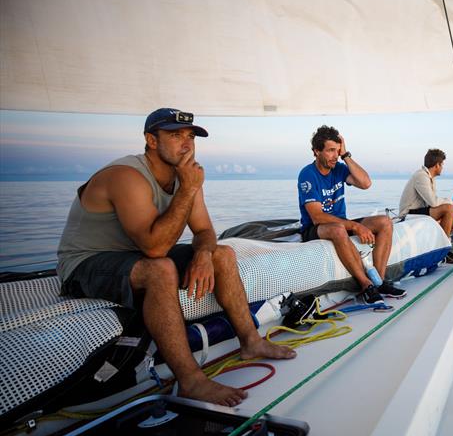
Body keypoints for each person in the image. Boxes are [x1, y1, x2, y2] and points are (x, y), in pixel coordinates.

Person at [57, 108, 295, 407]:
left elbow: (205, 230)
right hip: (85, 264)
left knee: (223, 253)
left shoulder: (186, 176)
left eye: (190, 136)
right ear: (151, 140)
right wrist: (190, 188)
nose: (186, 143)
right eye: (175, 135)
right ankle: (191, 381)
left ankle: (251, 342)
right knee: (161, 269)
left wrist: (204, 254)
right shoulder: (125, 176)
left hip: (134, 255)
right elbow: (155, 250)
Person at [297, 125, 406, 304]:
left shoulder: (339, 168)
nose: (335, 155)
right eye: (331, 151)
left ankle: (378, 280)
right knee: (339, 229)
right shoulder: (307, 174)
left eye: (337, 151)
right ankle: (366, 285)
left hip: (341, 222)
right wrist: (355, 226)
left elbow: (365, 183)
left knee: (385, 222)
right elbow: (317, 216)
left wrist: (346, 156)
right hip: (315, 228)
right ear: (316, 151)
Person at [398, 148, 453, 253]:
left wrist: (451, 206)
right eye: (442, 165)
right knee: (448, 208)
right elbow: (433, 202)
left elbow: (431, 202)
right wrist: (450, 202)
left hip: (418, 210)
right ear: (437, 165)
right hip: (408, 214)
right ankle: (443, 247)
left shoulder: (429, 177)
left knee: (449, 208)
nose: (442, 168)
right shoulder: (421, 176)